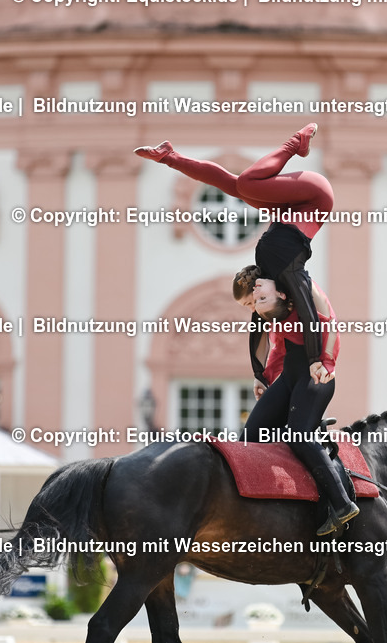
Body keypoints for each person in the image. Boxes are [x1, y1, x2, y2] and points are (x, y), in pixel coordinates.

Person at [135, 125, 357, 536]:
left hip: (316, 192)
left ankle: (341, 503)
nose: (256, 299)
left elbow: (318, 321)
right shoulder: (275, 299)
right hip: (293, 370)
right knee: (254, 432)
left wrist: (320, 361)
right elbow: (265, 345)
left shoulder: (293, 278)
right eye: (252, 301)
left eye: (255, 294)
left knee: (247, 183)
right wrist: (262, 378)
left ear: (265, 282)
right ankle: (272, 499)